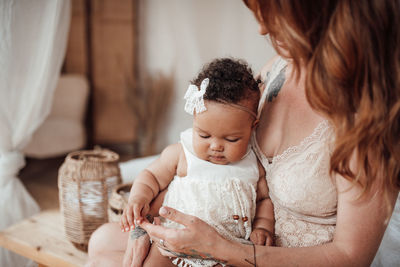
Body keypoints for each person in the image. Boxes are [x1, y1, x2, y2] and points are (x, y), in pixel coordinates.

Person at [87, 0, 400, 266]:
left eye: (270, 13)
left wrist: (222, 248)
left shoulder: (369, 118)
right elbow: (199, 169)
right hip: (219, 236)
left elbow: (350, 255)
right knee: (103, 242)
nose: (262, 29)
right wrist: (148, 228)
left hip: (268, 256)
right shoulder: (277, 70)